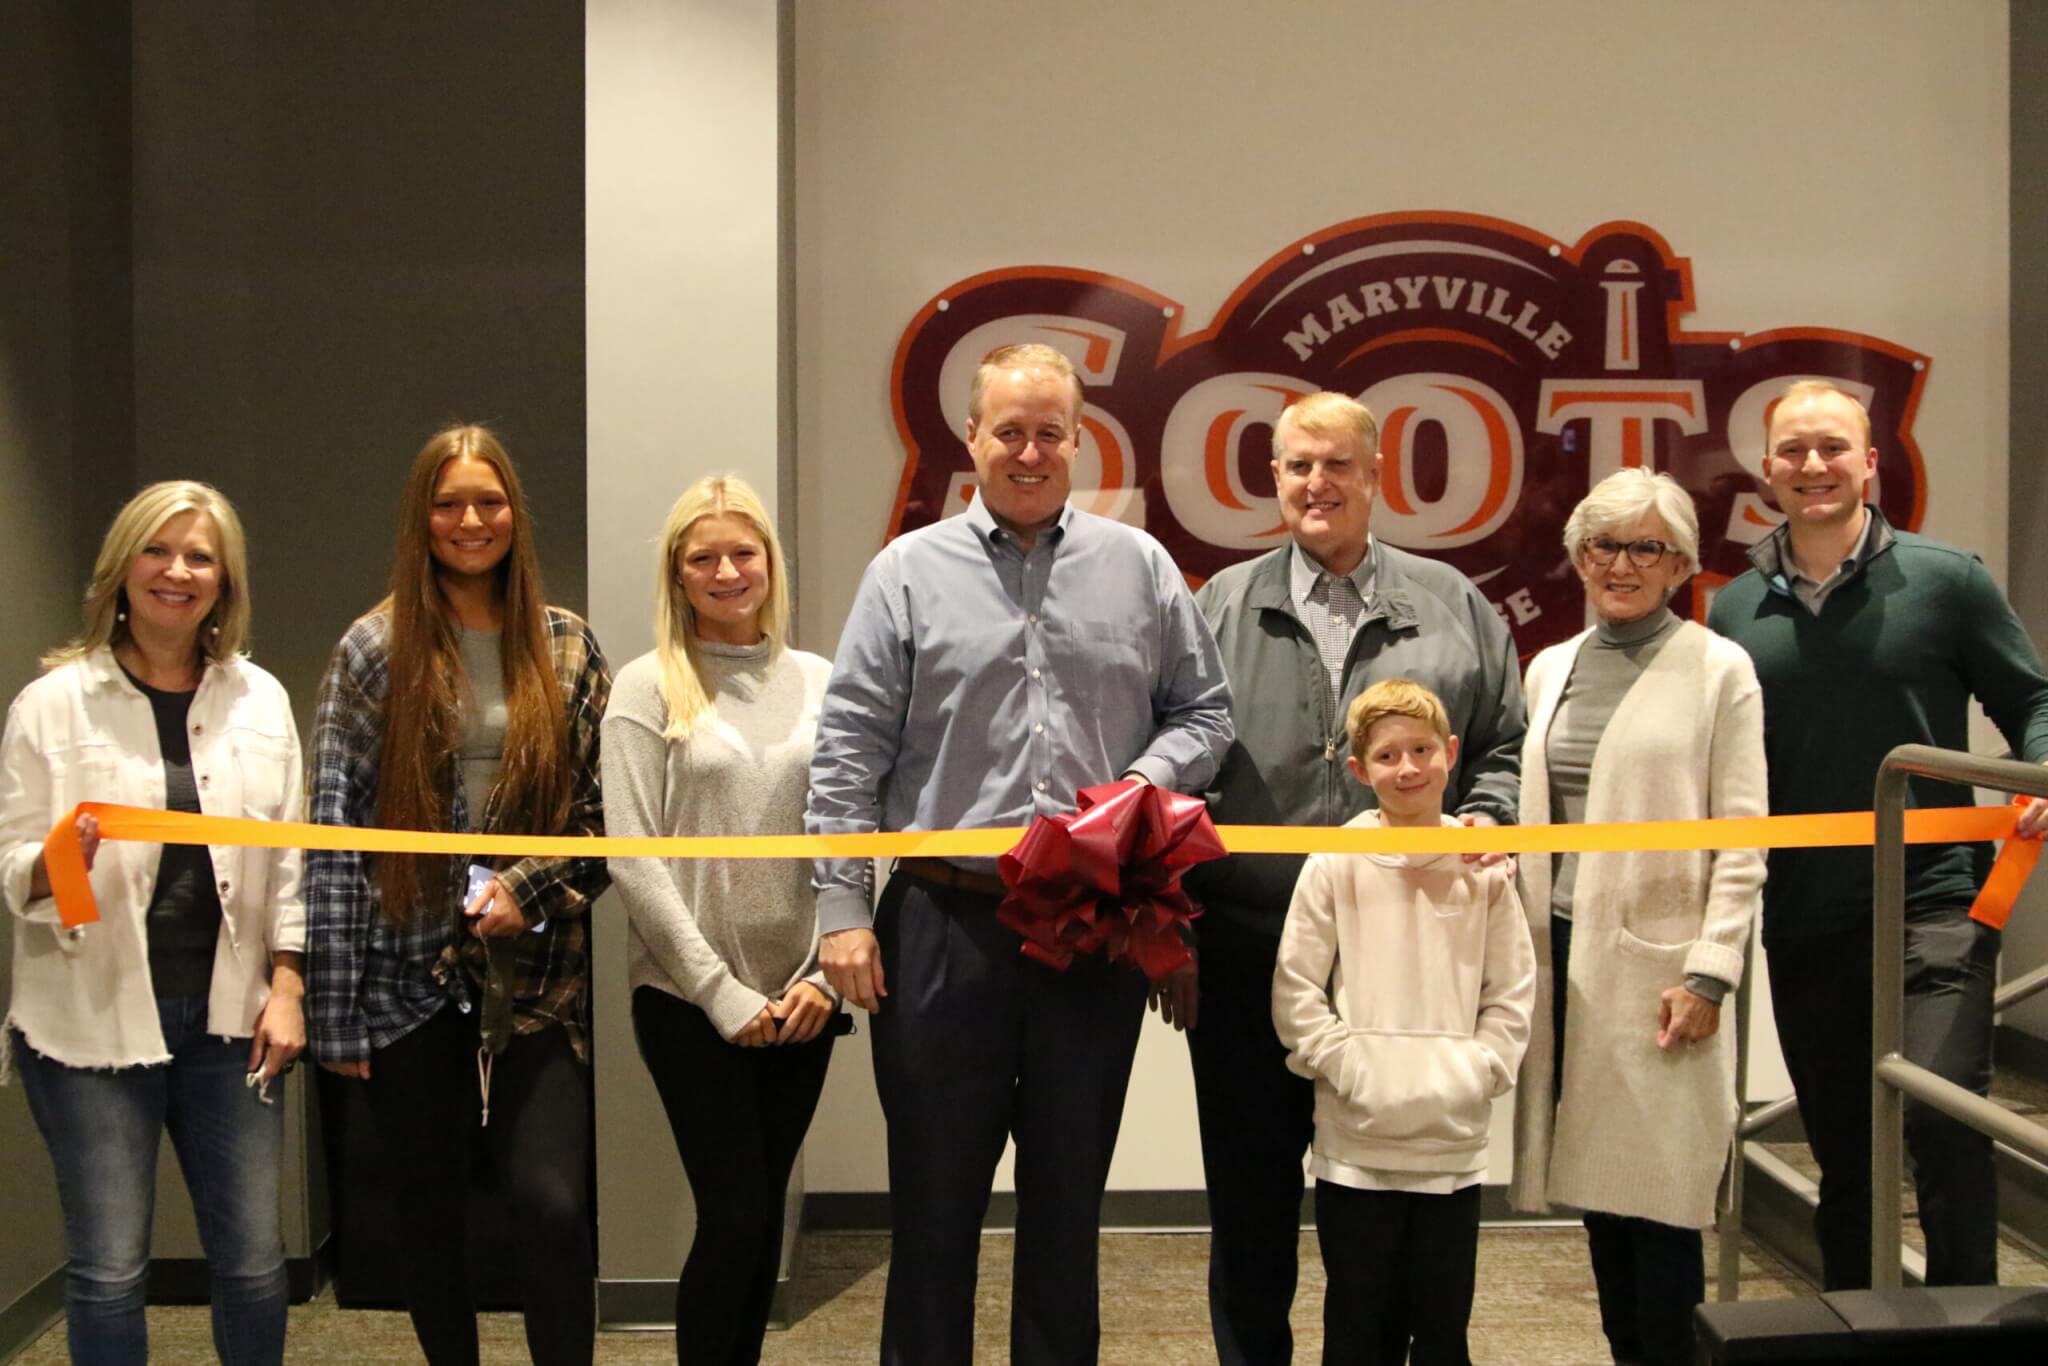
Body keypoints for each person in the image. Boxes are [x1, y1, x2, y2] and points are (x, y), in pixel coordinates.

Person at [806, 342, 1234, 1364]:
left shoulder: (1138, 568)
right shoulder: (905, 573)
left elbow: (1205, 712)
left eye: (1049, 432)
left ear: (1079, 441)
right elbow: (849, 747)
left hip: (1091, 924)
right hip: (944, 924)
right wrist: (841, 909)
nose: (1029, 451)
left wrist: (1136, 788)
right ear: (972, 438)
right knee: (932, 1209)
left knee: (1065, 1206)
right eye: (1009, 431)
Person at [1185, 390, 1525, 1364]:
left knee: (1394, 1229)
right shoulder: (1217, 607)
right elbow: (1177, 767)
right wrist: (1173, 926)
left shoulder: (1453, 603)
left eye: (1336, 464)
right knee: (1249, 1207)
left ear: (1375, 477)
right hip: (1249, 951)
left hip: (1411, 961)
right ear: (1273, 477)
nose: (1316, 482)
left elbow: (1501, 745)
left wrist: (1488, 817)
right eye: (1297, 465)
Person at [1708, 380, 2048, 1289]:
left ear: (1868, 462)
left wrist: (2042, 770)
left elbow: (2032, 700)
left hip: (1937, 901)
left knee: (1942, 1119)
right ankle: (1856, 1326)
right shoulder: (1732, 612)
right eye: (1792, 450)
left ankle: (1967, 1332)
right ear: (1767, 470)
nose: (1812, 465)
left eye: (1831, 447)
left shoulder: (1948, 579)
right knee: (1843, 1147)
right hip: (1806, 911)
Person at [305, 425, 611, 1365]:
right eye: (448, 504)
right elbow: (332, 830)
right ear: (421, 519)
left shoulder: (566, 645)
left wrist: (524, 888)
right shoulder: (373, 648)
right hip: (405, 978)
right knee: (427, 1215)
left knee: (552, 1208)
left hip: (537, 978)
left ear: (515, 512)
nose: (470, 521)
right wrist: (334, 1016)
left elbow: (605, 823)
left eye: (488, 500)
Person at [1, 481, 303, 1365]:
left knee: (254, 1262)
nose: (178, 572)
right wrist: (61, 859)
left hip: (232, 1019)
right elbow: (14, 863)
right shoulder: (52, 703)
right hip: (86, 1022)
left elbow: (292, 860)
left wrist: (288, 986)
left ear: (225, 581)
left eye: (200, 557)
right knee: (107, 1269)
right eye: (158, 551)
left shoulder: (261, 701)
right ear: (121, 569)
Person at [1508, 469, 1766, 1365]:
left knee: (1660, 1204)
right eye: (1603, 546)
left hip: (1662, 972)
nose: (1621, 565)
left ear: (1681, 563)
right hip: (1563, 958)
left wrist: (1711, 972)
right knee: (1600, 1197)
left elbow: (1744, 839)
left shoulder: (1720, 669)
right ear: (1579, 557)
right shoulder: (1550, 667)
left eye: (1645, 548)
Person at [602, 475, 838, 1365]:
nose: (727, 572)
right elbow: (632, 855)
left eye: (744, 553)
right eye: (704, 557)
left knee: (764, 1216)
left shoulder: (820, 681)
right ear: (677, 572)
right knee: (733, 1212)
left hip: (804, 999)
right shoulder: (646, 686)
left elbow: (857, 834)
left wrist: (822, 975)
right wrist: (720, 993)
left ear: (771, 563)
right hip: (688, 999)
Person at [1272, 678, 1534, 1366]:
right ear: (1359, 771)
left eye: (1422, 750)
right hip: (1356, 1145)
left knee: (1443, 1327)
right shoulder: (1334, 860)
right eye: (1387, 756)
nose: (1408, 768)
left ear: (1452, 752)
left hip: (1452, 1145)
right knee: (1358, 1324)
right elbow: (1296, 988)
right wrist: (1350, 1067)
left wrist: (1479, 1069)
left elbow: (1511, 992)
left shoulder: (1484, 866)